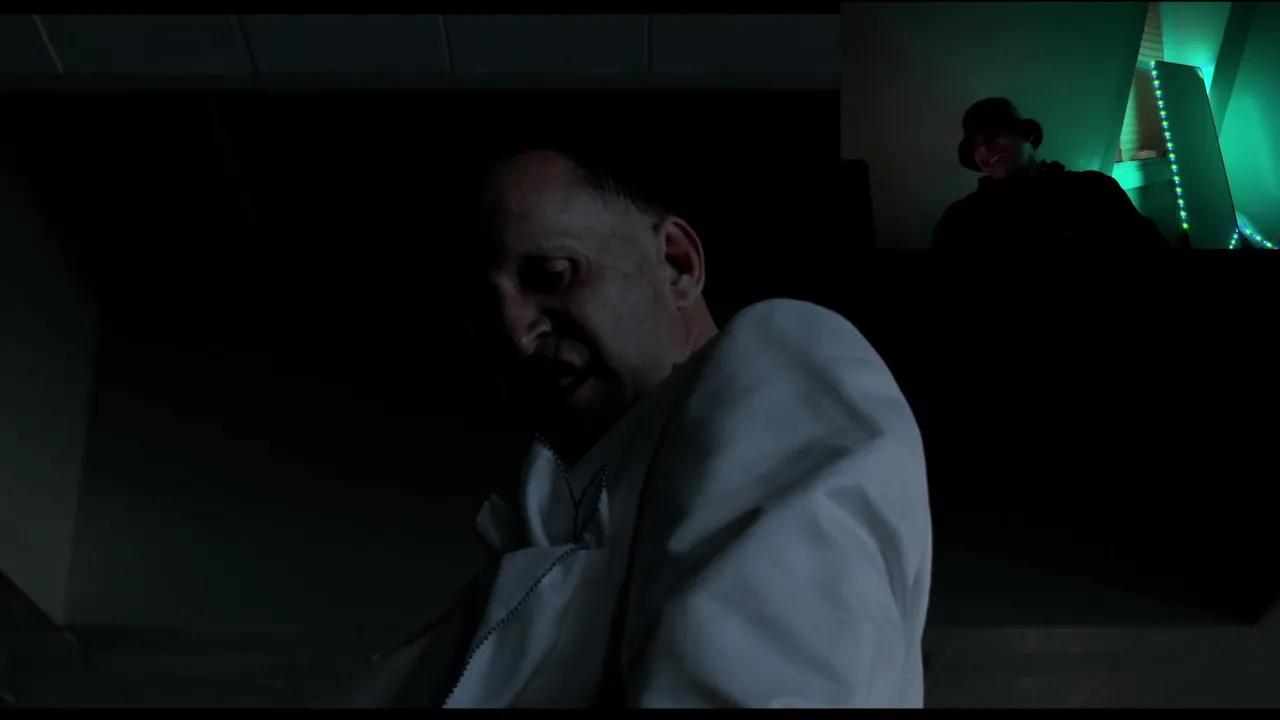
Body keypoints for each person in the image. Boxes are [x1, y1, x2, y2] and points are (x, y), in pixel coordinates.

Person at [345, 147, 933, 708]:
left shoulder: (772, 361)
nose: (515, 335)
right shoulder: (589, 498)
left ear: (678, 264)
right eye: (484, 306)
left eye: (552, 274)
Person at [932, 97, 1168, 250]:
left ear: (1025, 135)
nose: (985, 149)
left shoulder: (1093, 191)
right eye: (976, 145)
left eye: (994, 135)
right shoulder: (961, 219)